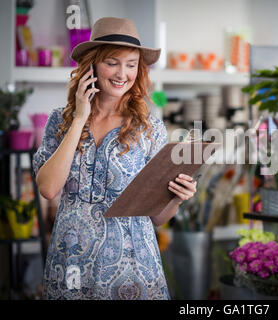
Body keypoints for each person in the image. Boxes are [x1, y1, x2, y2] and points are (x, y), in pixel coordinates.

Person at [32, 17, 197, 300]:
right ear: (92, 65)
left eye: (131, 64)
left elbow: (158, 217)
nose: (123, 73)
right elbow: (48, 189)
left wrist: (177, 198)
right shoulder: (60, 120)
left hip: (132, 268)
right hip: (71, 264)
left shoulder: (149, 128)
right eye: (112, 62)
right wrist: (80, 117)